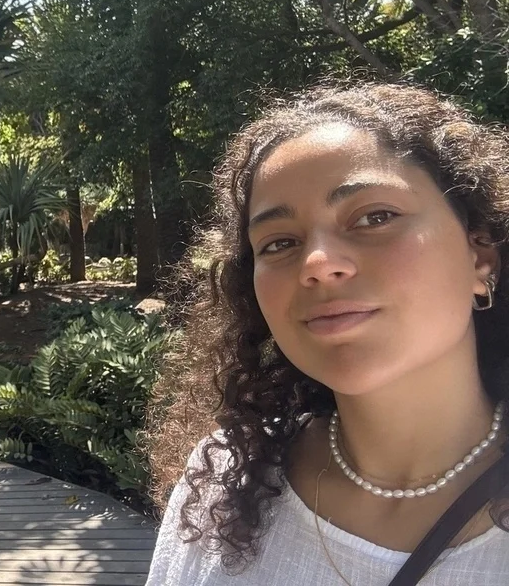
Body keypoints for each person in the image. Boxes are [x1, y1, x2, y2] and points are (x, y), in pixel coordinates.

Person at [144, 84, 509, 585]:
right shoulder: (225, 483)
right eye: (279, 243)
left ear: (481, 254)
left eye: (375, 217)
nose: (316, 263)